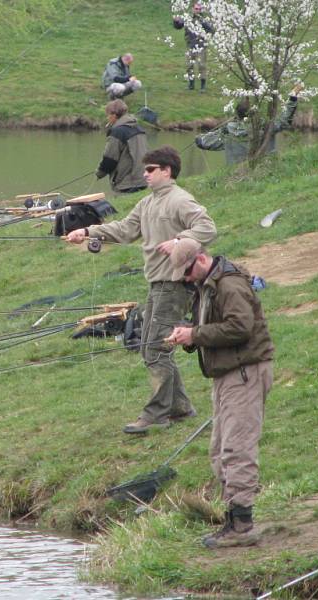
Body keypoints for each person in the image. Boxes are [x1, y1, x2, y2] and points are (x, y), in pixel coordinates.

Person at [66, 146, 217, 434]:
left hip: (175, 283)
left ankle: (156, 414)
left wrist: (179, 242)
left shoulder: (180, 200)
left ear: (166, 171)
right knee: (151, 347)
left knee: (155, 349)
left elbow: (207, 227)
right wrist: (87, 232)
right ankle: (181, 408)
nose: (144, 174)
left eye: (150, 169)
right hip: (156, 282)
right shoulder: (147, 204)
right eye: (144, 169)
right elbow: (124, 230)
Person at [164, 238, 274, 548]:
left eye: (186, 272)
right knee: (219, 450)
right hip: (226, 374)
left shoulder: (229, 285)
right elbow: (212, 327)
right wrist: (188, 337)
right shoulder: (205, 286)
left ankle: (243, 525)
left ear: (200, 260)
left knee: (237, 448)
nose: (185, 280)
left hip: (245, 372)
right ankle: (233, 517)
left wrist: (195, 333)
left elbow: (241, 327)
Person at [195, 84, 304, 165]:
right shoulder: (266, 127)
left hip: (235, 174)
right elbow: (284, 119)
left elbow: (204, 142)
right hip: (266, 170)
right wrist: (293, 97)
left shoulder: (228, 132)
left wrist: (199, 138)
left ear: (237, 115)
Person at [95, 100, 147, 195]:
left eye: (108, 115)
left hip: (127, 183)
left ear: (114, 115)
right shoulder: (139, 128)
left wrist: (99, 173)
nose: (107, 118)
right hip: (143, 179)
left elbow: (109, 159)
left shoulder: (118, 132)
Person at [175, 3, 214, 92]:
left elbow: (211, 30)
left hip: (201, 46)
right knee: (189, 65)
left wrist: (203, 37)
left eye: (199, 9)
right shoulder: (187, 19)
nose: (197, 10)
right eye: (196, 8)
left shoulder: (203, 20)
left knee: (202, 66)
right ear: (192, 9)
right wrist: (176, 21)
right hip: (190, 45)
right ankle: (191, 84)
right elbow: (178, 26)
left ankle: (203, 86)